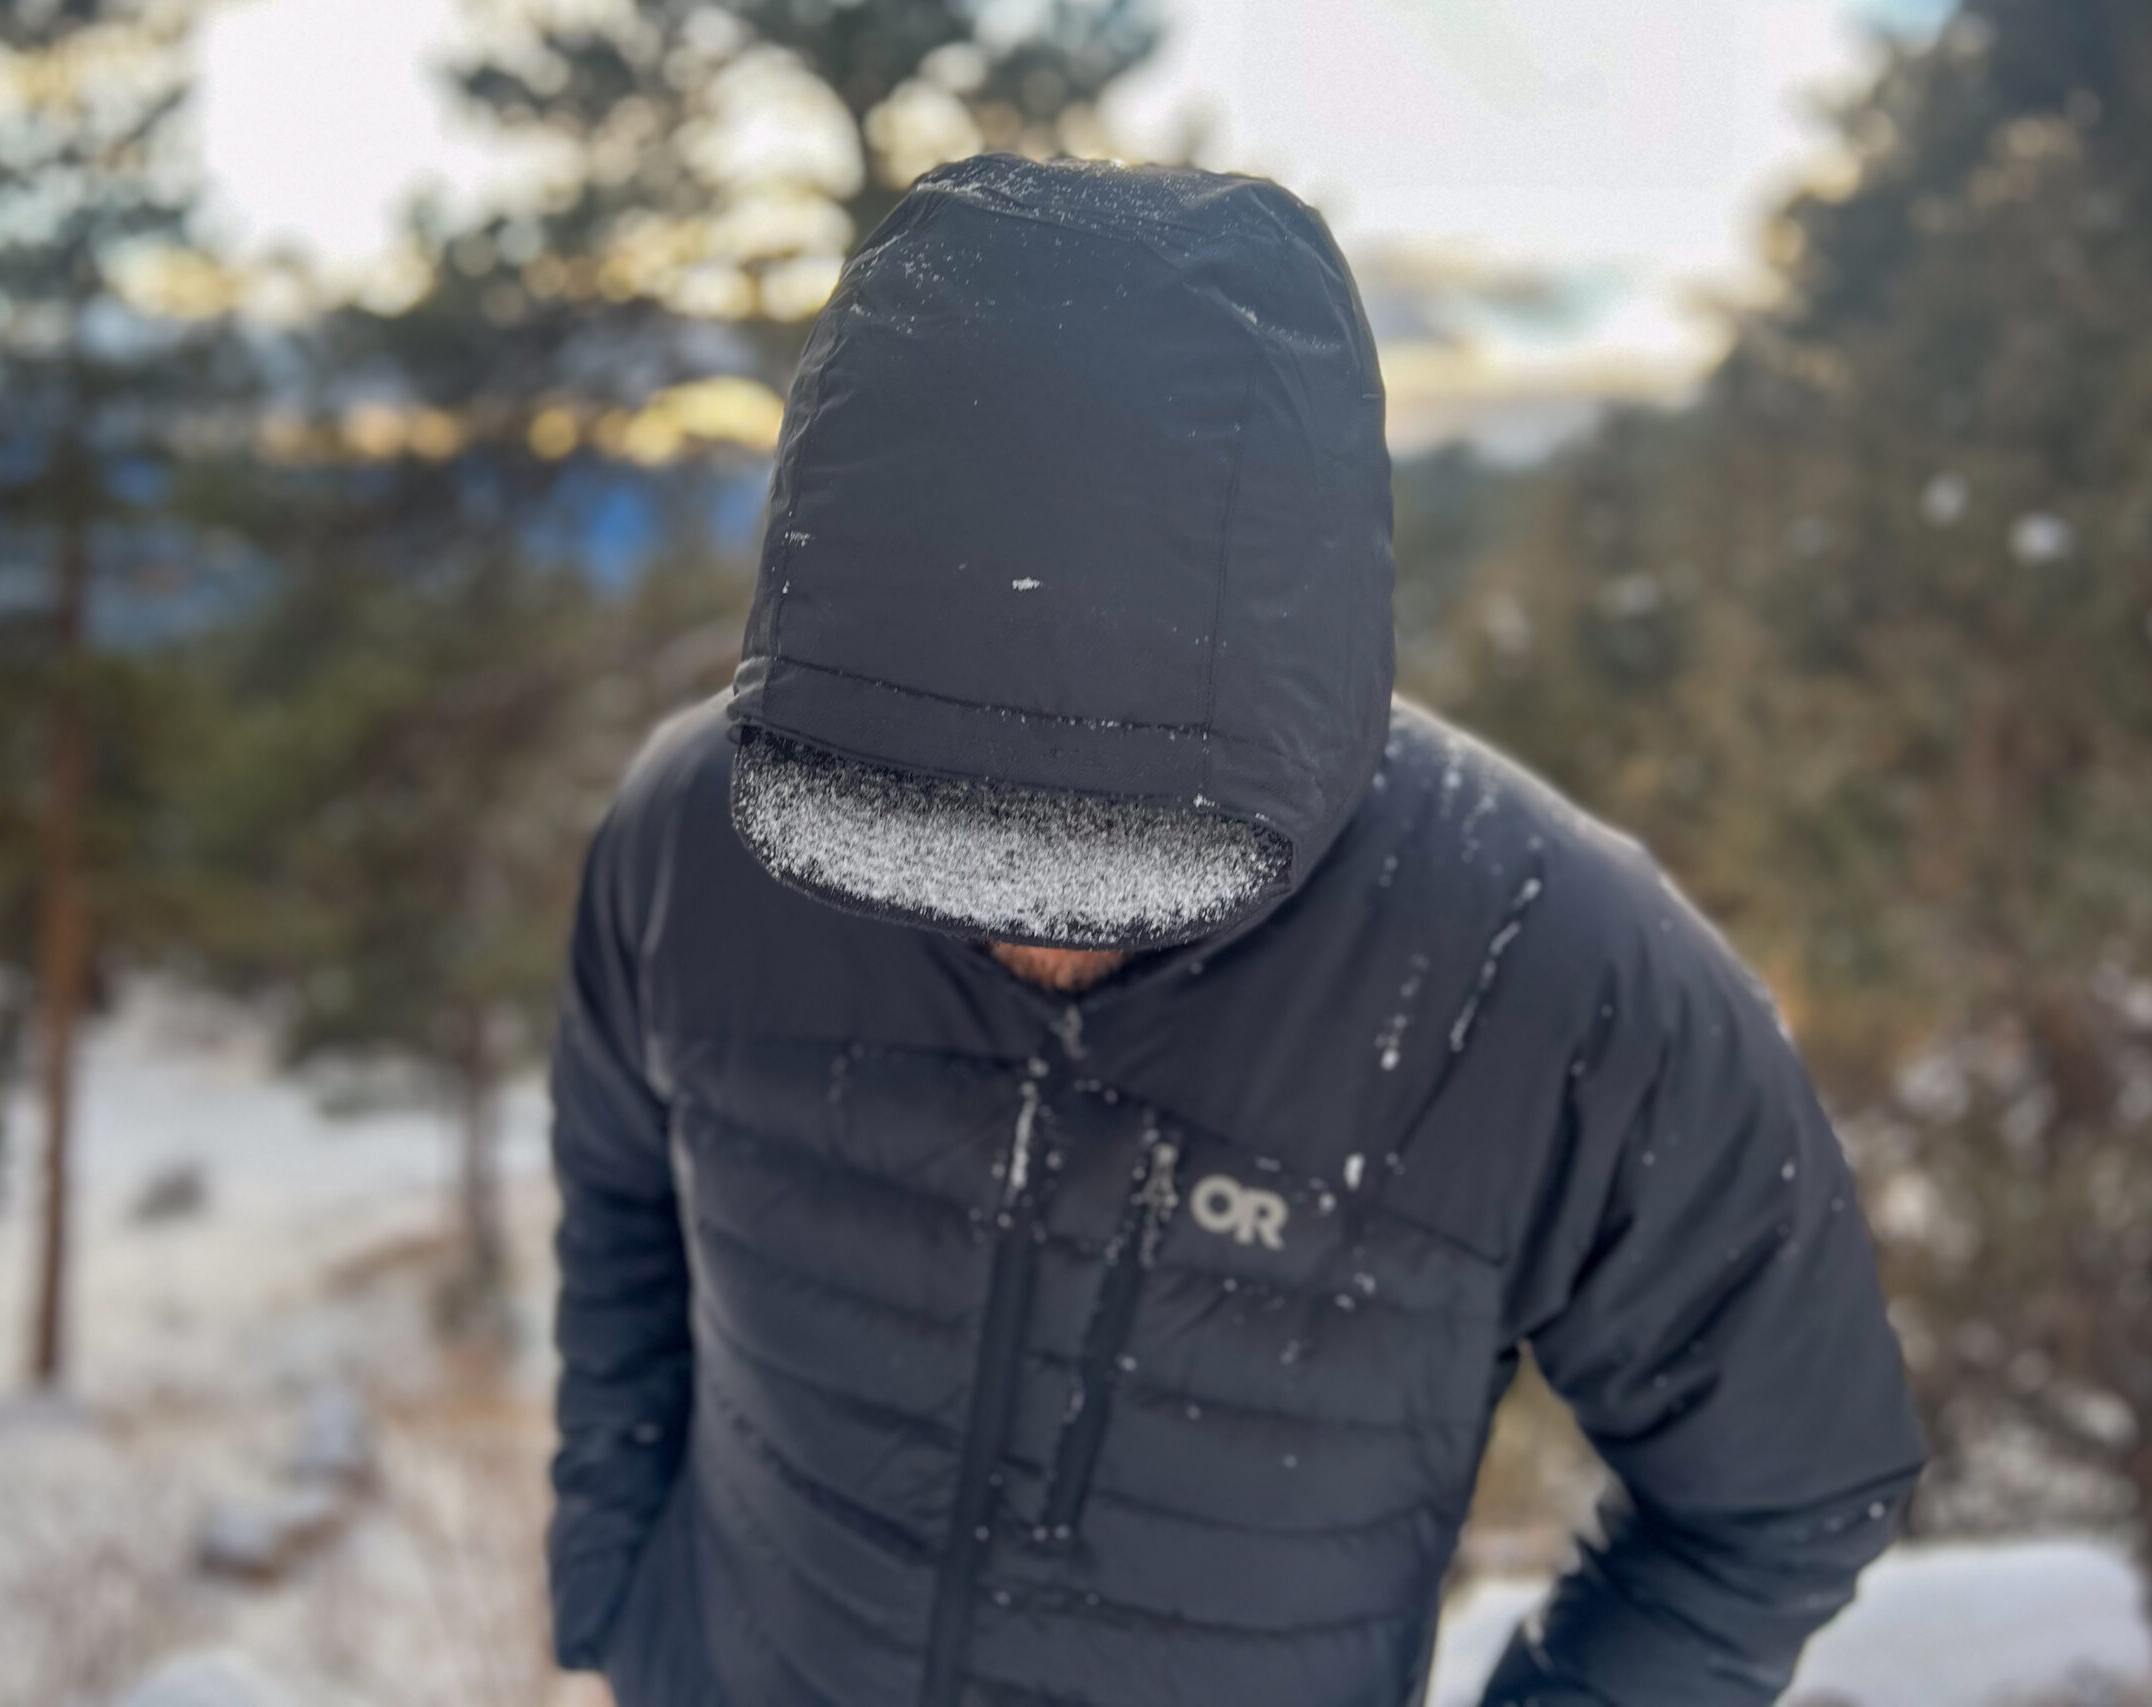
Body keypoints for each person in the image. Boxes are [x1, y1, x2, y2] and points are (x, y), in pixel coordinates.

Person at [546, 155, 1924, 1707]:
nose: (1037, 934)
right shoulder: (696, 846)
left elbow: (1787, 1491)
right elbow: (616, 1188)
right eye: (946, 842)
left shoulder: (1562, 984)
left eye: (1125, 853)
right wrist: (617, 1601)